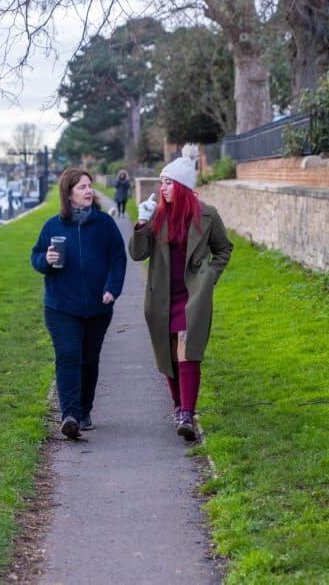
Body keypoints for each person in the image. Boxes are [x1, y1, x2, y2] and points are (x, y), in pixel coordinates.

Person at [128, 153, 233, 441]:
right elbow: (138, 254)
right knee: (168, 354)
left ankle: (187, 413)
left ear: (183, 187)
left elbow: (224, 248)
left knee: (187, 353)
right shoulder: (157, 215)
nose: (162, 188)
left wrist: (210, 276)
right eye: (161, 182)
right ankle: (178, 406)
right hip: (162, 296)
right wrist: (141, 222)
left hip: (192, 296)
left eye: (168, 183)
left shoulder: (207, 214)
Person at [31, 168, 127, 439]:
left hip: (98, 306)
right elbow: (36, 257)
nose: (88, 191)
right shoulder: (53, 226)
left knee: (88, 359)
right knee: (68, 356)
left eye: (90, 186)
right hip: (61, 306)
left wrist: (112, 288)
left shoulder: (104, 225)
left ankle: (84, 410)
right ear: (68, 193)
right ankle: (69, 415)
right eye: (82, 187)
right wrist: (46, 261)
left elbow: (118, 259)